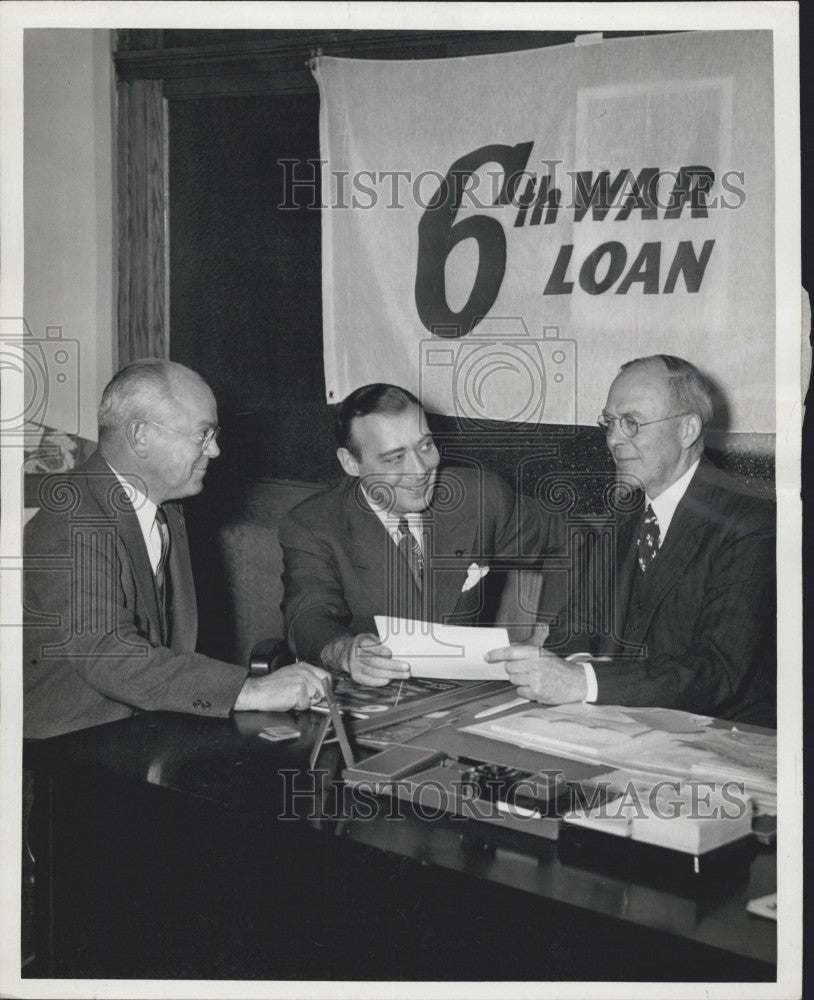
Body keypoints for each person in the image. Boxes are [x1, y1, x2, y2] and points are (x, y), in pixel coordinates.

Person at [24, 359, 329, 739]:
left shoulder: (167, 507)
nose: (215, 450)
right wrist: (247, 689)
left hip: (141, 732)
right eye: (203, 434)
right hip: (69, 754)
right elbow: (106, 652)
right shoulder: (70, 521)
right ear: (140, 436)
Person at [486, 355, 776, 726]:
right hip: (621, 728)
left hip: (722, 739)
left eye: (631, 423)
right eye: (609, 423)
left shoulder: (749, 522)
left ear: (687, 430)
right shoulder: (623, 514)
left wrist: (583, 681)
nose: (612, 439)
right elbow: (578, 625)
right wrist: (558, 664)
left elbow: (717, 672)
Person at [279, 383, 562, 687]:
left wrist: (544, 634)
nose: (420, 471)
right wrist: (346, 652)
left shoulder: (480, 498)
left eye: (425, 446)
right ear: (351, 463)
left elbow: (572, 542)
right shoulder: (312, 524)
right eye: (395, 458)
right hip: (371, 701)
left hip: (462, 696)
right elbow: (308, 618)